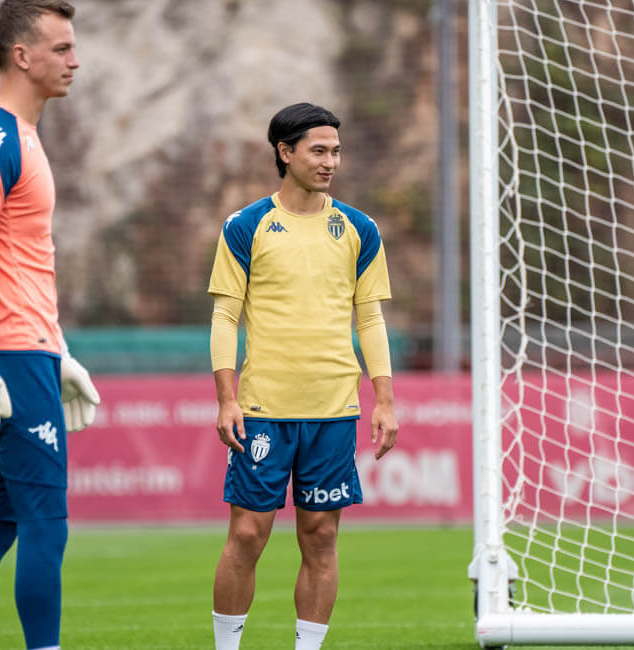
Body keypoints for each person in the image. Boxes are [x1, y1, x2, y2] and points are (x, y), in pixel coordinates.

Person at [207, 102, 400, 650]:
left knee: (320, 537)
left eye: (336, 151)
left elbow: (370, 319)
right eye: (318, 150)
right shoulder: (246, 226)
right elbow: (225, 316)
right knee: (248, 534)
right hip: (263, 409)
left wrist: (384, 400)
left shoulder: (359, 228)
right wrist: (226, 398)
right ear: (285, 152)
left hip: (333, 410)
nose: (330, 161)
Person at [0, 2, 98, 649]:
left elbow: (21, 263)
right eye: (61, 48)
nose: (75, 60)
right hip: (8, 356)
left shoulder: (21, 134)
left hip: (27, 350)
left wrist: (59, 351)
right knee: (44, 525)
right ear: (22, 55)